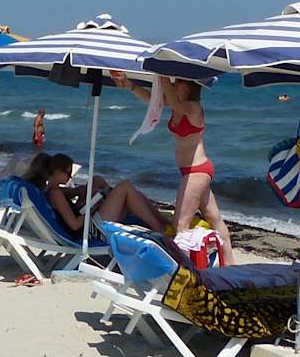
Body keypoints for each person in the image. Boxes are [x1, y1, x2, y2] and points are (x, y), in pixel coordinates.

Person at [112, 73, 234, 263]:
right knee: (214, 218)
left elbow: (176, 104)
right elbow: (151, 99)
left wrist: (164, 78)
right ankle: (230, 264)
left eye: (179, 81)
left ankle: (185, 269)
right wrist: (128, 85)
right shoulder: (177, 104)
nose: (175, 84)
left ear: (189, 86)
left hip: (197, 171)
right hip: (191, 172)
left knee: (180, 225)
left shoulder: (193, 108)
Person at [23, 152, 165, 237]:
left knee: (97, 180)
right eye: (68, 173)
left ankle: (161, 223)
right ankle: (159, 227)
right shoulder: (56, 194)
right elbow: (75, 225)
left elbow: (73, 195)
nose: (70, 177)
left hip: (87, 225)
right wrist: (93, 206)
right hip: (90, 232)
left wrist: (86, 193)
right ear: (58, 172)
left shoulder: (51, 190)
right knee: (125, 187)